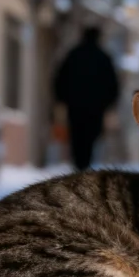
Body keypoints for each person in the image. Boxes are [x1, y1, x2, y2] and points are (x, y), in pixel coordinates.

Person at [53, 27, 120, 170]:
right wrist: (108, 104)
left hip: (75, 107)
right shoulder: (103, 58)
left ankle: (78, 165)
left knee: (77, 137)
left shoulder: (73, 55)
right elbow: (113, 85)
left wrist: (62, 100)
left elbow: (59, 80)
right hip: (95, 109)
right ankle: (84, 165)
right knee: (90, 138)